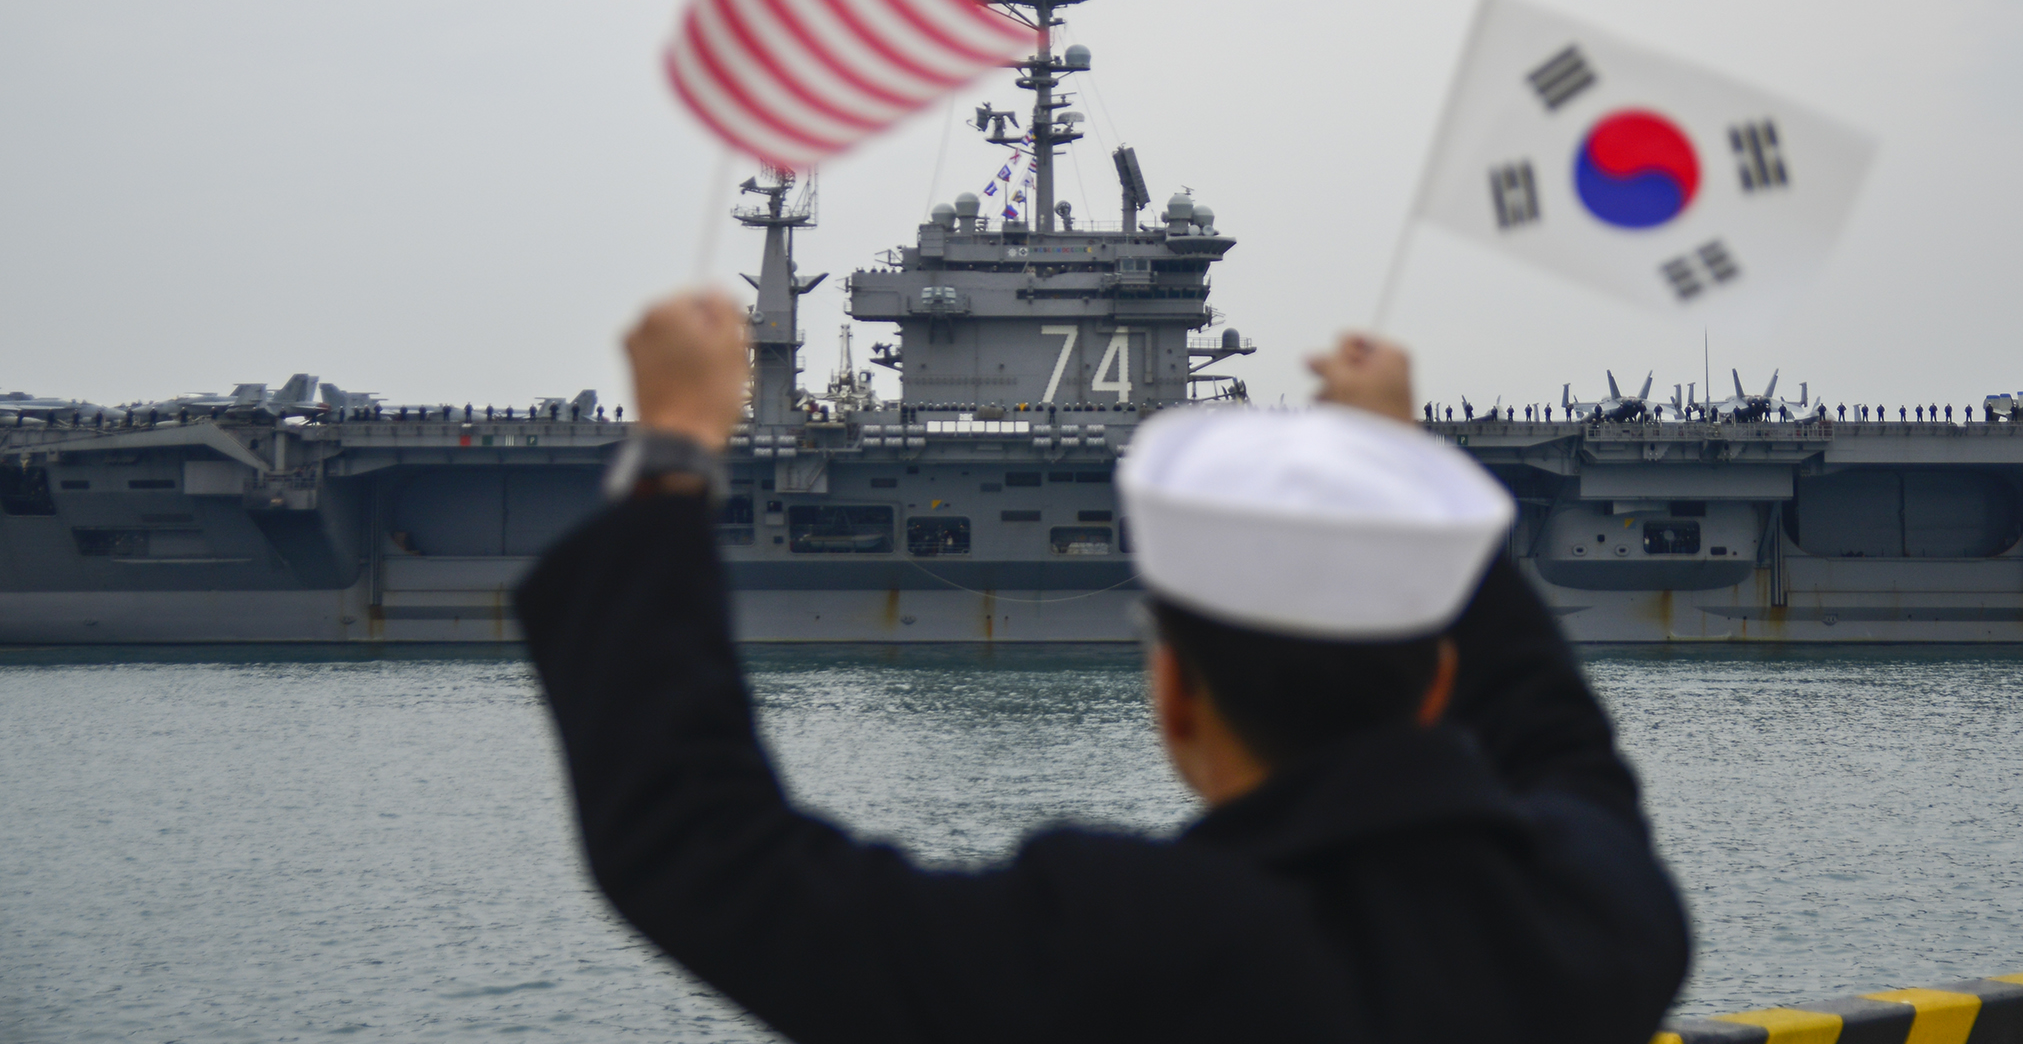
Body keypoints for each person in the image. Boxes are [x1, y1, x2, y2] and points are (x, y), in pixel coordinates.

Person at [515, 292, 1689, 1044]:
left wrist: (672, 448)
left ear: (1173, 693)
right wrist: (1396, 473)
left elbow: (702, 849)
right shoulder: (1600, 915)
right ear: (1438, 682)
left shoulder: (1120, 950)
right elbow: (1561, 740)